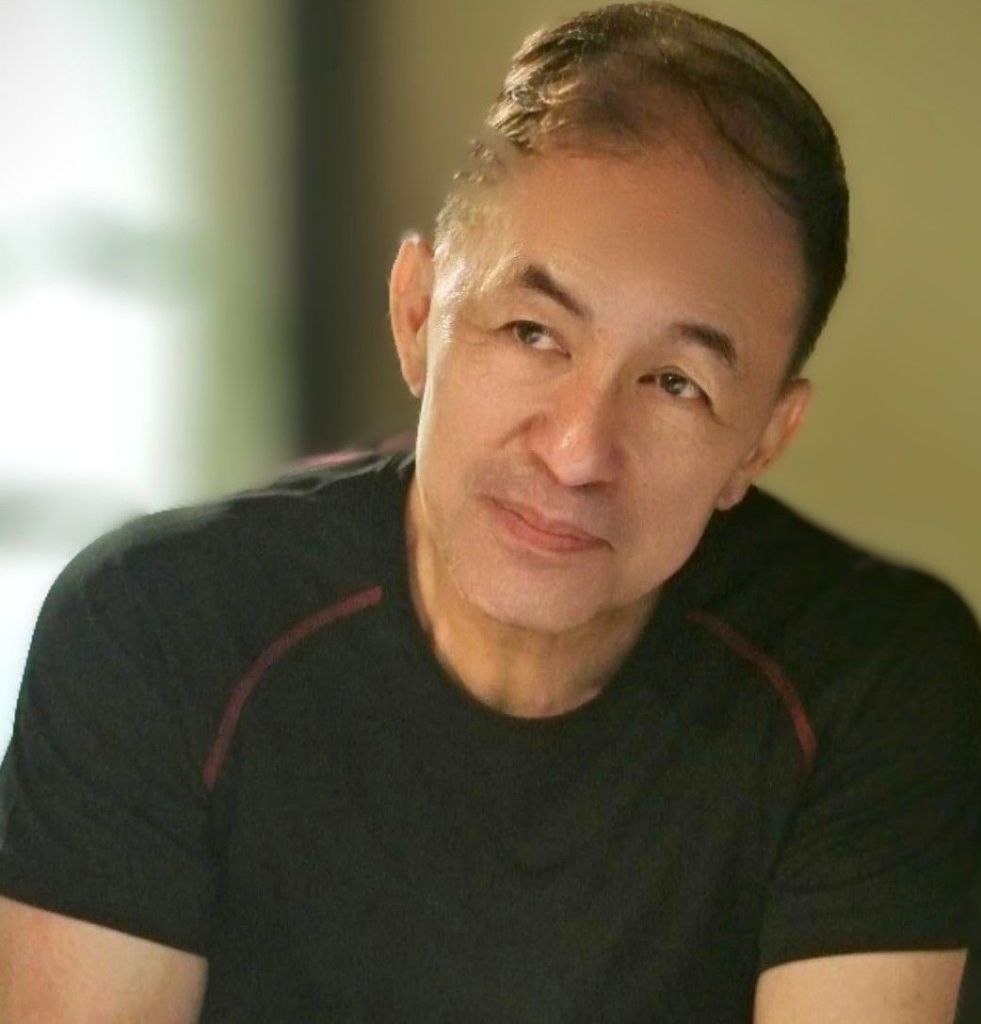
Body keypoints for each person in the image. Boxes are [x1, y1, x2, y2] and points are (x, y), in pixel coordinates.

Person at [1, 2, 979, 1021]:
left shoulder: (869, 680)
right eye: (531, 332)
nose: (577, 452)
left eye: (675, 384)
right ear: (417, 315)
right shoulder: (158, 632)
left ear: (763, 441)